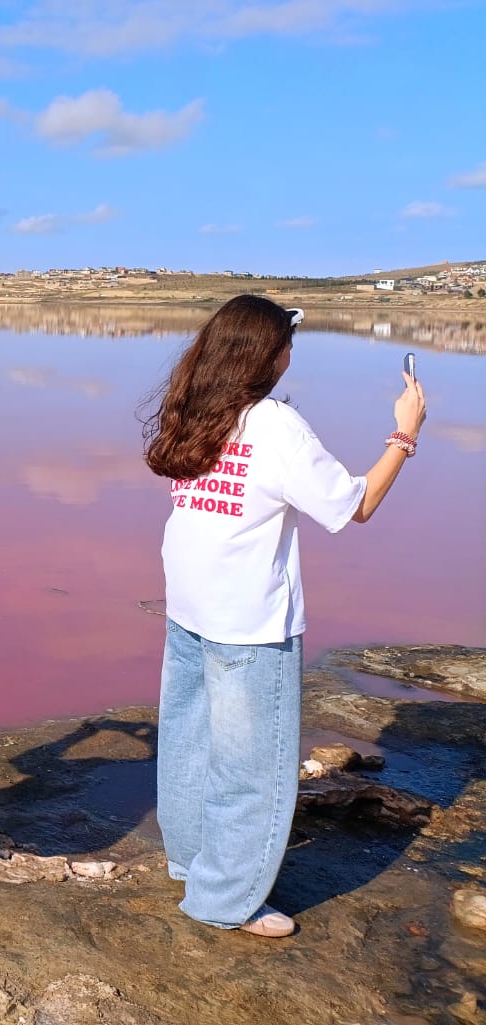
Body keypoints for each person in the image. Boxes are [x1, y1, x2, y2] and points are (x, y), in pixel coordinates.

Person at [143, 295, 425, 937]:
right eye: (287, 343)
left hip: (189, 605)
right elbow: (353, 506)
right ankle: (225, 899)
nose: (291, 354)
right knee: (251, 769)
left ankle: (191, 863)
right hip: (249, 621)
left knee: (189, 744)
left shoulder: (196, 410)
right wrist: (404, 433)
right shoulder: (274, 425)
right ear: (267, 355)